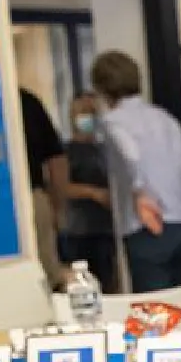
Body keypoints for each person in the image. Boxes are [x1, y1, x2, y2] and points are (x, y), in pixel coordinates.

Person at [89, 51, 181, 293]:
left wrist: (139, 190)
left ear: (102, 89)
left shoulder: (113, 122)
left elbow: (129, 154)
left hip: (146, 223)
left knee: (153, 313)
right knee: (180, 301)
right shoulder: (166, 119)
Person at [57, 93, 122, 292]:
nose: (89, 117)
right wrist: (94, 194)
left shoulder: (105, 149)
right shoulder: (66, 152)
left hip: (105, 230)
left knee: (108, 284)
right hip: (78, 231)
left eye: (93, 112)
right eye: (83, 112)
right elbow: (62, 187)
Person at [19, 86, 69, 288]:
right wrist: (58, 207)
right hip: (33, 196)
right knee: (48, 276)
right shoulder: (27, 101)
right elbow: (56, 160)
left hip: (5, 197)